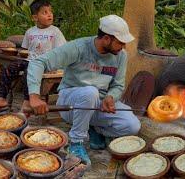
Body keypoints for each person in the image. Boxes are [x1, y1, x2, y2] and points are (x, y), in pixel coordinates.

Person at [27, 15, 141, 166]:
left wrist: (111, 97)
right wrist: (34, 97)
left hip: (98, 105)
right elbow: (38, 62)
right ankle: (76, 143)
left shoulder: (121, 56)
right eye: (120, 42)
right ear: (106, 38)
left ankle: (94, 129)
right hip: (71, 104)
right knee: (90, 92)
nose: (123, 47)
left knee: (133, 126)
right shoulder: (78, 47)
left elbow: (118, 85)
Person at [0, 0, 66, 111]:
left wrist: (54, 66)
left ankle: (27, 101)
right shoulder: (30, 32)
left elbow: (61, 51)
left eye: (50, 11)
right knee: (8, 68)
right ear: (35, 18)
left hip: (46, 64)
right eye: (45, 12)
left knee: (29, 72)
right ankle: (2, 98)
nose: (49, 14)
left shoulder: (55, 32)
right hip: (30, 61)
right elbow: (25, 50)